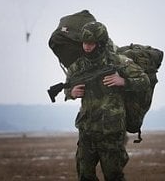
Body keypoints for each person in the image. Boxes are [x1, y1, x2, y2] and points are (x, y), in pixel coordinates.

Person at [64, 21, 150, 181]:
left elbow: (144, 80)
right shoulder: (78, 67)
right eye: (84, 43)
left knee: (113, 176)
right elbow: (67, 87)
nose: (87, 47)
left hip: (111, 131)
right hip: (87, 131)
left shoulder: (118, 61)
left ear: (101, 42)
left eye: (91, 43)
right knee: (84, 176)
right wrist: (72, 93)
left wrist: (124, 82)